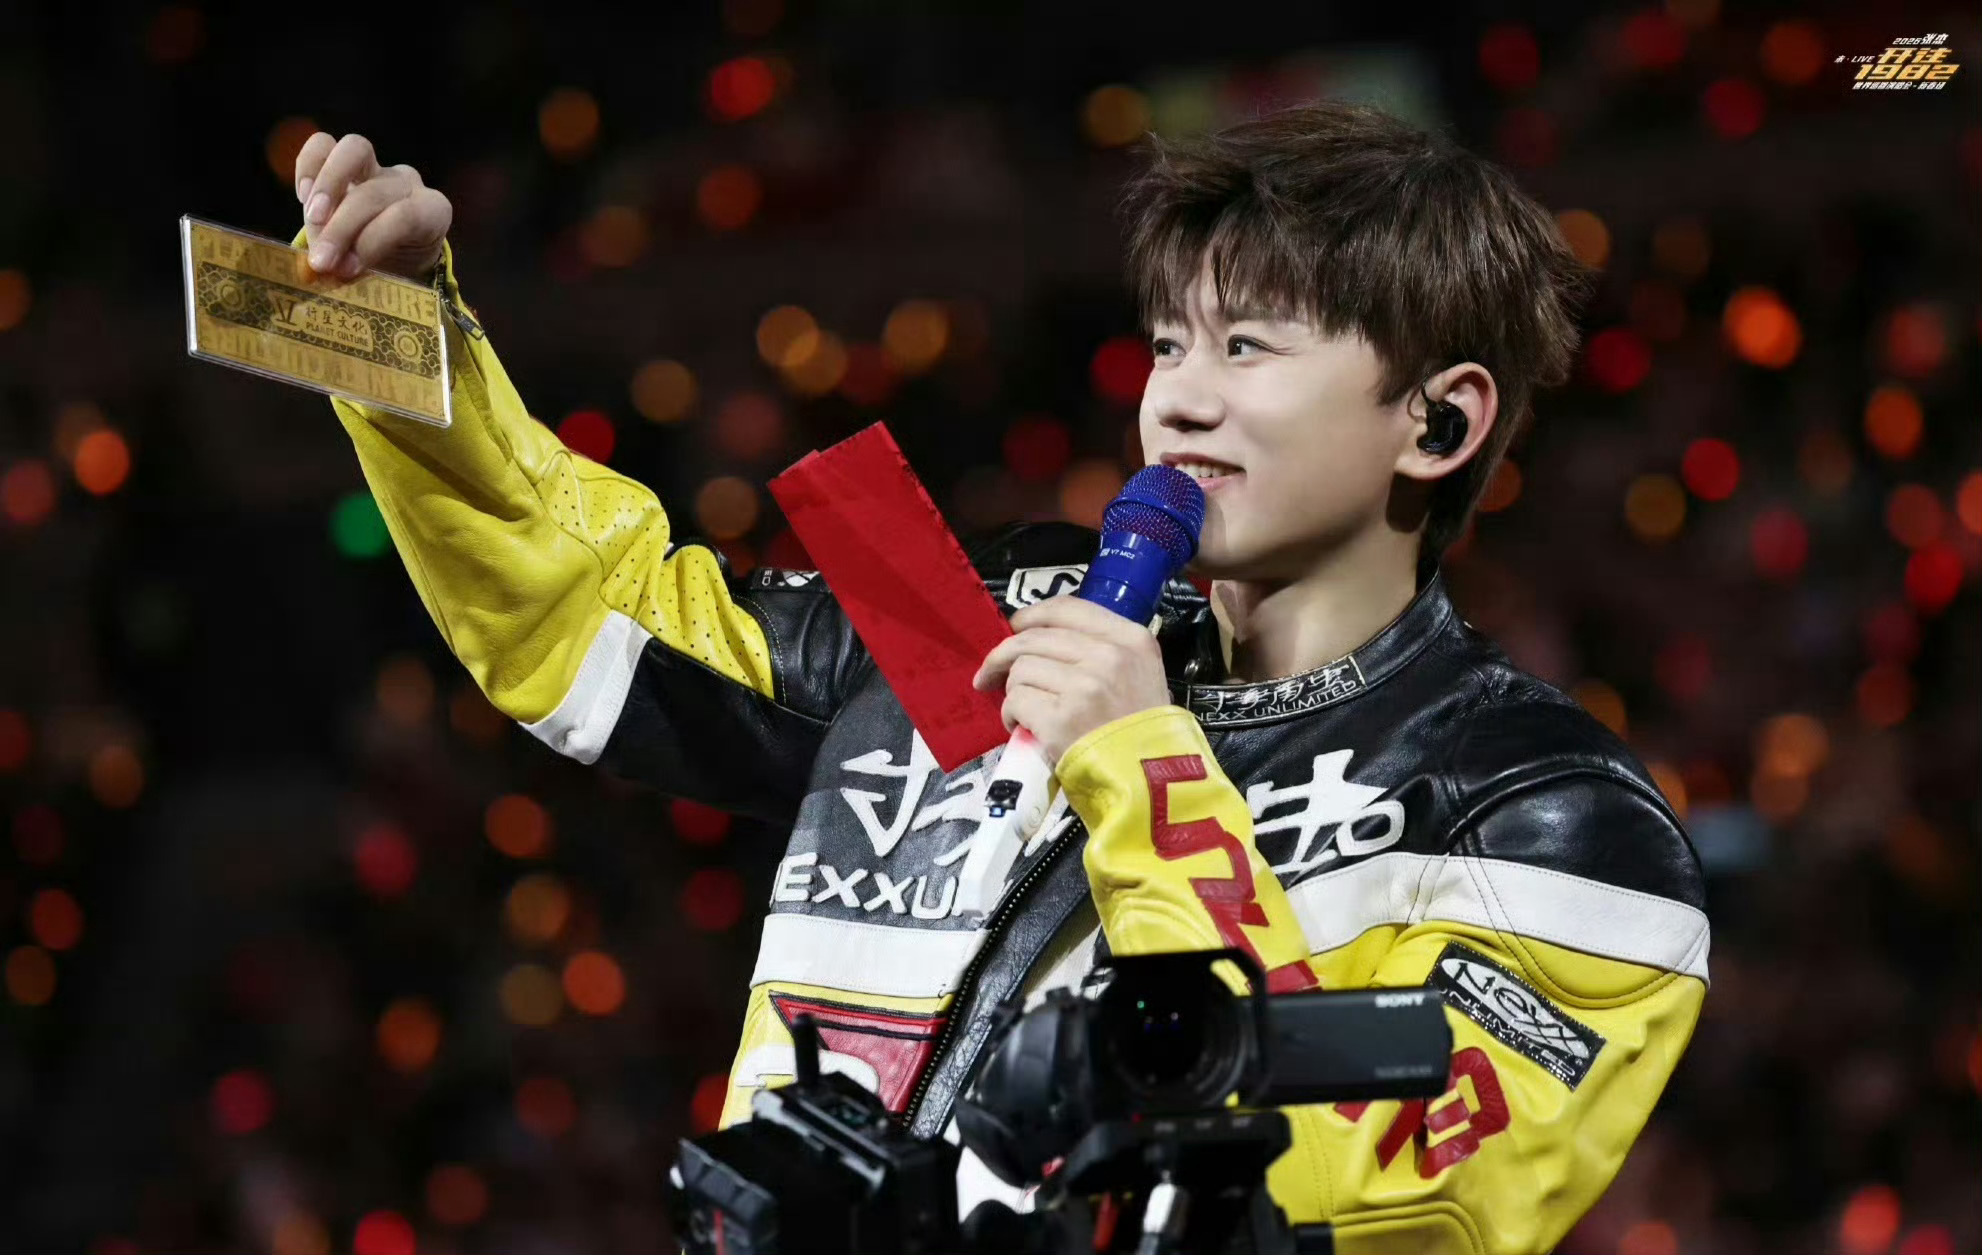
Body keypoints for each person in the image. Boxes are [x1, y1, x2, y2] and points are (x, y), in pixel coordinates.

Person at [288, 99, 1708, 1252]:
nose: (1178, 397)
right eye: (1169, 342)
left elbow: (1379, 1205)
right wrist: (404, 344)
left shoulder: (1552, 823)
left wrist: (1144, 769)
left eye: (1248, 346)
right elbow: (594, 624)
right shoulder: (987, 617)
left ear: (1438, 422)